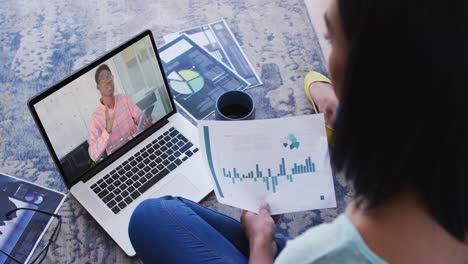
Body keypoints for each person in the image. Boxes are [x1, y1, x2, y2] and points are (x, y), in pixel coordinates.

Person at [128, 0, 468, 263]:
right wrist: (335, 100)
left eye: (330, 39)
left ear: (369, 74)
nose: (328, 56)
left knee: (149, 217)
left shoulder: (320, 252)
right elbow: (314, 80)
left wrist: (261, 246)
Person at [88, 64, 152, 162]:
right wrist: (107, 131)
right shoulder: (95, 119)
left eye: (109, 77)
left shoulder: (123, 99)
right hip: (120, 162)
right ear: (98, 86)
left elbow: (140, 118)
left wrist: (146, 124)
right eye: (103, 79)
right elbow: (93, 155)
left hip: (139, 148)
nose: (108, 80)